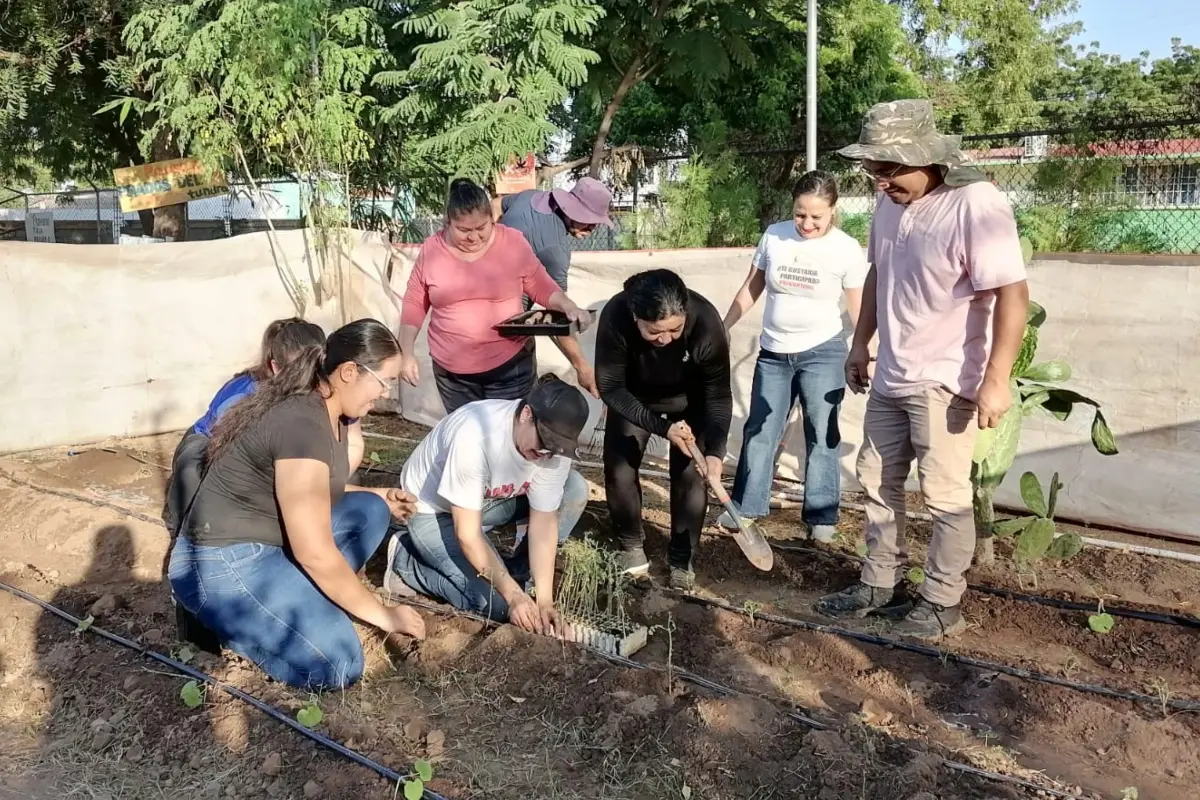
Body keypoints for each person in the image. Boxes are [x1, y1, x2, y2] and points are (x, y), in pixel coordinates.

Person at [816, 99, 1029, 642]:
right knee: (876, 482)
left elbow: (1012, 293)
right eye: (872, 170)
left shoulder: (976, 203)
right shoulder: (889, 204)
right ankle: (879, 584)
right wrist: (860, 344)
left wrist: (996, 379)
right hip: (891, 373)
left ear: (925, 157)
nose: (880, 182)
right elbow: (879, 275)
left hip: (946, 380)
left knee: (945, 497)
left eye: (888, 169)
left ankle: (940, 603)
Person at [167, 319, 426, 690]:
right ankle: (230, 629)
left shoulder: (331, 412)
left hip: (267, 542)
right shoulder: (302, 425)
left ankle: (302, 600)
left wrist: (380, 494)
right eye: (384, 381)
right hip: (221, 563)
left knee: (371, 510)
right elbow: (314, 553)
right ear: (348, 372)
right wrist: (384, 616)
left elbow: (307, 489)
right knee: (338, 664)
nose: (386, 393)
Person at [721, 171, 867, 544]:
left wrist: (863, 350)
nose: (807, 223)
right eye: (800, 214)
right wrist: (725, 324)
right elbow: (752, 285)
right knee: (760, 430)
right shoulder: (775, 235)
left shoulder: (846, 248)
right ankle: (745, 507)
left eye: (817, 216)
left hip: (823, 352)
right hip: (773, 353)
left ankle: (821, 516)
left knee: (822, 433)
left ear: (833, 210)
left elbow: (859, 307)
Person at [385, 374, 591, 633]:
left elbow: (544, 521)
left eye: (553, 449)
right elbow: (468, 534)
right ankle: (405, 560)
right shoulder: (475, 436)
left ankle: (517, 575)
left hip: (485, 501)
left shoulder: (553, 451)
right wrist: (513, 597)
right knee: (497, 606)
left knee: (573, 488)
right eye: (543, 443)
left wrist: (544, 600)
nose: (544, 454)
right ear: (527, 414)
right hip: (432, 511)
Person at [399, 178, 593, 414]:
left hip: (510, 368)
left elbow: (541, 284)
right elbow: (414, 302)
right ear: (447, 223)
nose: (474, 237)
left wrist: (568, 306)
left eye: (482, 228)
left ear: (492, 219)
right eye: (463, 230)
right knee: (466, 432)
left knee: (509, 431)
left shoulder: (512, 242)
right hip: (453, 375)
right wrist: (406, 352)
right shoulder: (432, 249)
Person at [594, 269, 732, 590]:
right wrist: (663, 428)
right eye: (654, 331)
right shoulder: (616, 315)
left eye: (674, 329)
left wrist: (715, 450)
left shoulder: (706, 321)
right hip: (634, 399)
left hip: (690, 401)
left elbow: (718, 394)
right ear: (635, 317)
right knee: (619, 468)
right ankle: (631, 546)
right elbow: (611, 387)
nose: (665, 339)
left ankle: (682, 559)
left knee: (690, 476)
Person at [164, 317, 330, 533]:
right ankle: (181, 526)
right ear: (275, 366)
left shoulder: (317, 389)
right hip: (211, 439)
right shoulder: (248, 392)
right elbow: (223, 443)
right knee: (192, 470)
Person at [499, 177, 616, 398]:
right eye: (587, 219)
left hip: (478, 293)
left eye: (596, 222)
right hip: (506, 321)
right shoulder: (555, 250)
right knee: (515, 398)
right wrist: (582, 367)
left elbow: (497, 204)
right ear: (570, 209)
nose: (592, 227)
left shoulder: (531, 197)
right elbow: (557, 314)